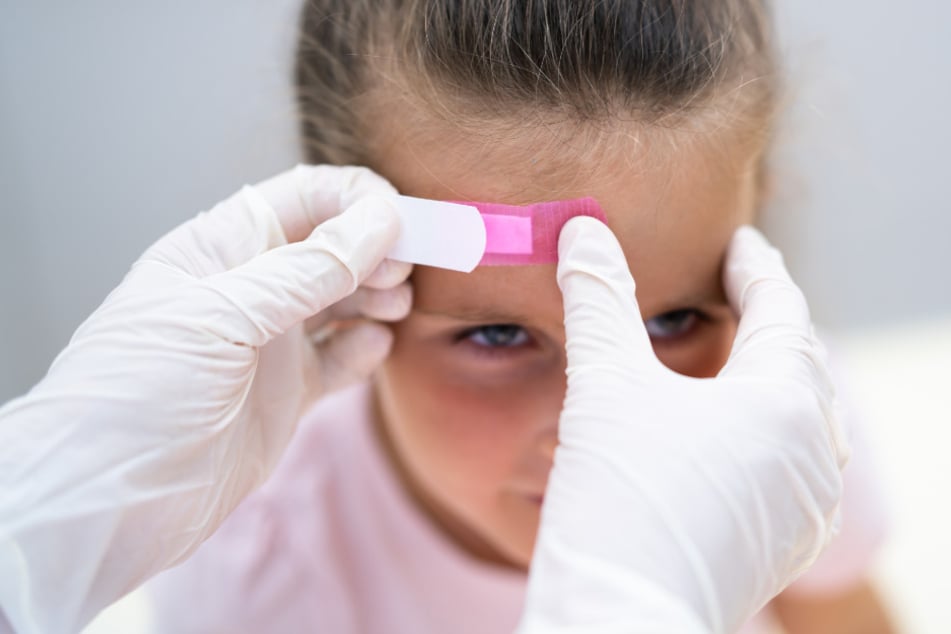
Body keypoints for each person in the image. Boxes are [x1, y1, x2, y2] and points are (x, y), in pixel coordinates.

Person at [0, 2, 881, 634]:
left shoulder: (781, 419)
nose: (590, 428)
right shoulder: (265, 560)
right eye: (496, 335)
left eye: (672, 321)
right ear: (341, 270)